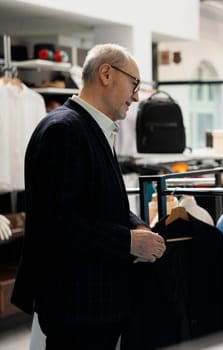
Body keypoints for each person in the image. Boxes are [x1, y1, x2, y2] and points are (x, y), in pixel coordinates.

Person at [11, 43, 166, 350]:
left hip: (94, 302)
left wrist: (139, 226)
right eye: (134, 84)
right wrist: (129, 242)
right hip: (77, 306)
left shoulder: (90, 128)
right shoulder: (64, 131)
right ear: (106, 74)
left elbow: (107, 203)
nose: (136, 97)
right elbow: (58, 226)